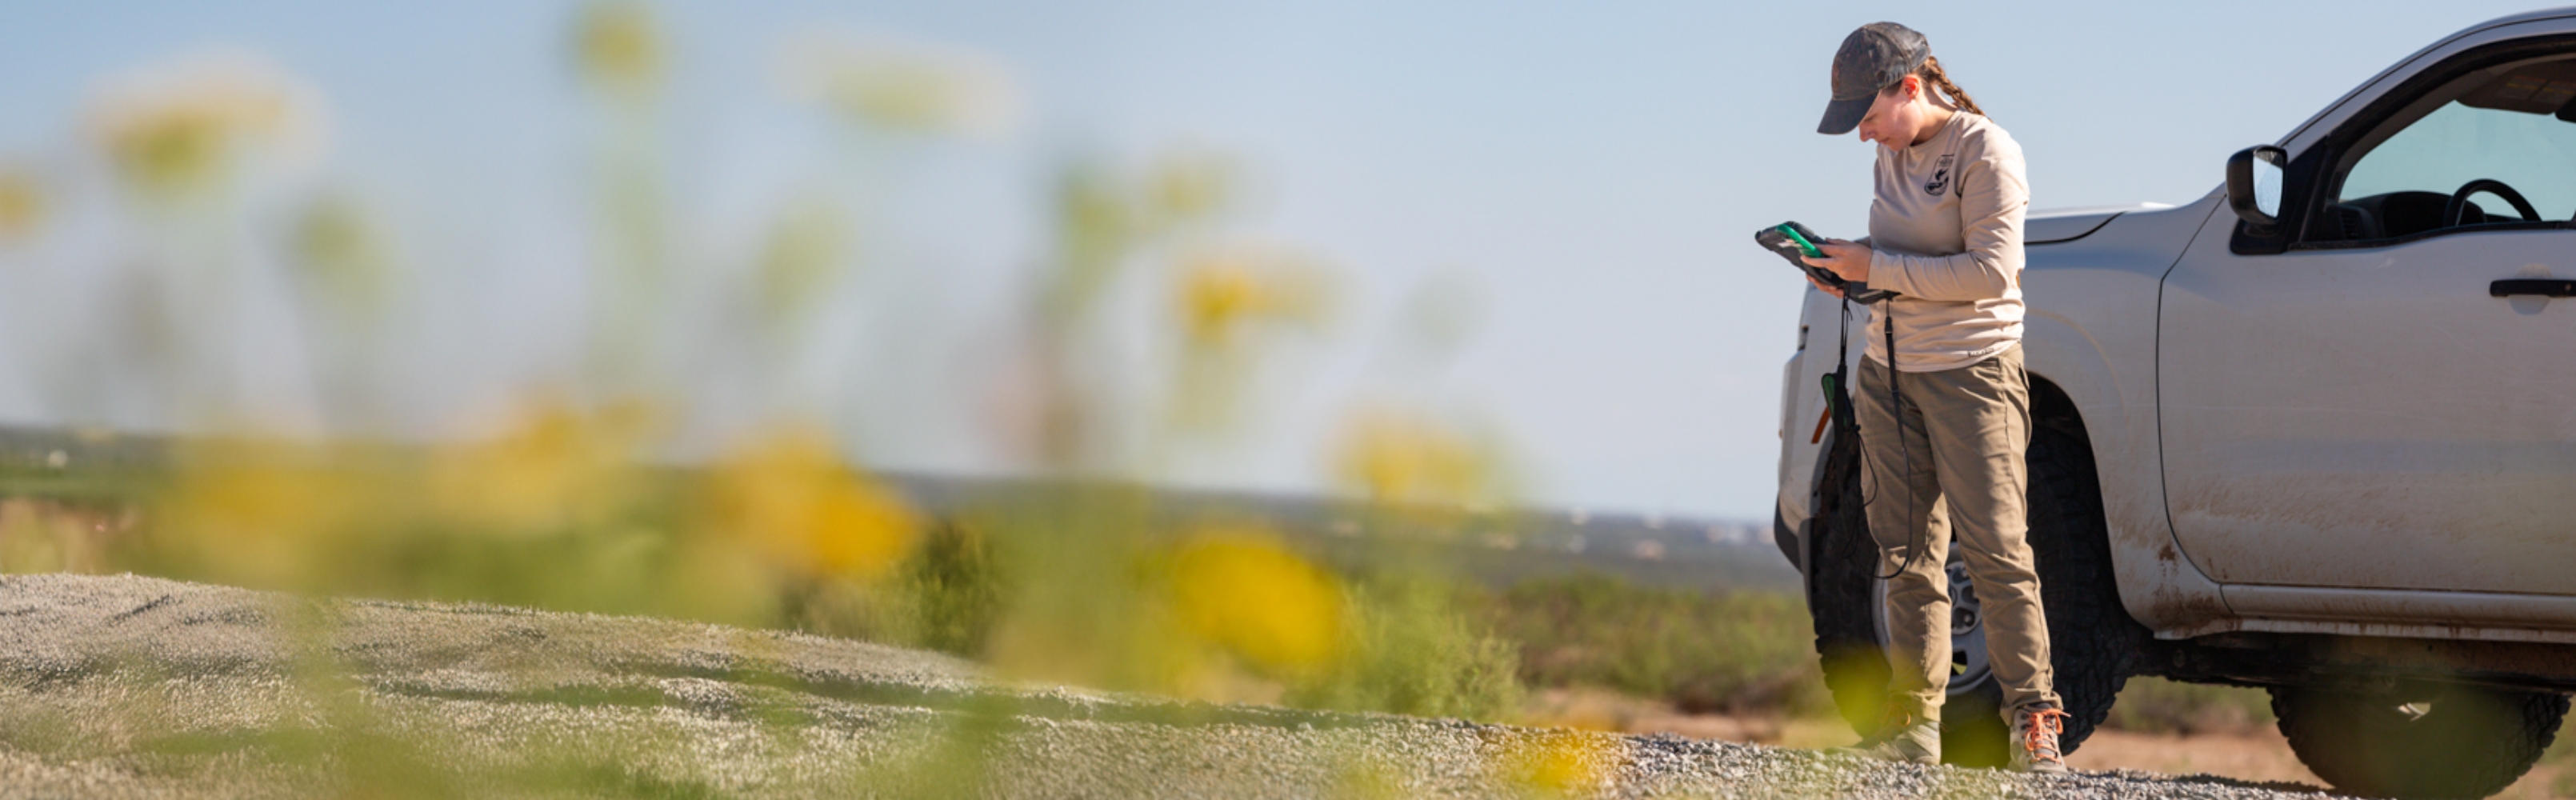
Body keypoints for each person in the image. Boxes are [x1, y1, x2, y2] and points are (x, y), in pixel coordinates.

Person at [1798, 22, 2067, 773]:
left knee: (1997, 549)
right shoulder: (1890, 150)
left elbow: (1991, 274)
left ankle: (2034, 720)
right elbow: (1904, 258)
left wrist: (1876, 266)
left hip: (1973, 374)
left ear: (1910, 88)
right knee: (1905, 550)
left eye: (1868, 115)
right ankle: (1913, 724)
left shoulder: (1987, 151)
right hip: (1889, 370)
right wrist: (1849, 272)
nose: (1863, 135)